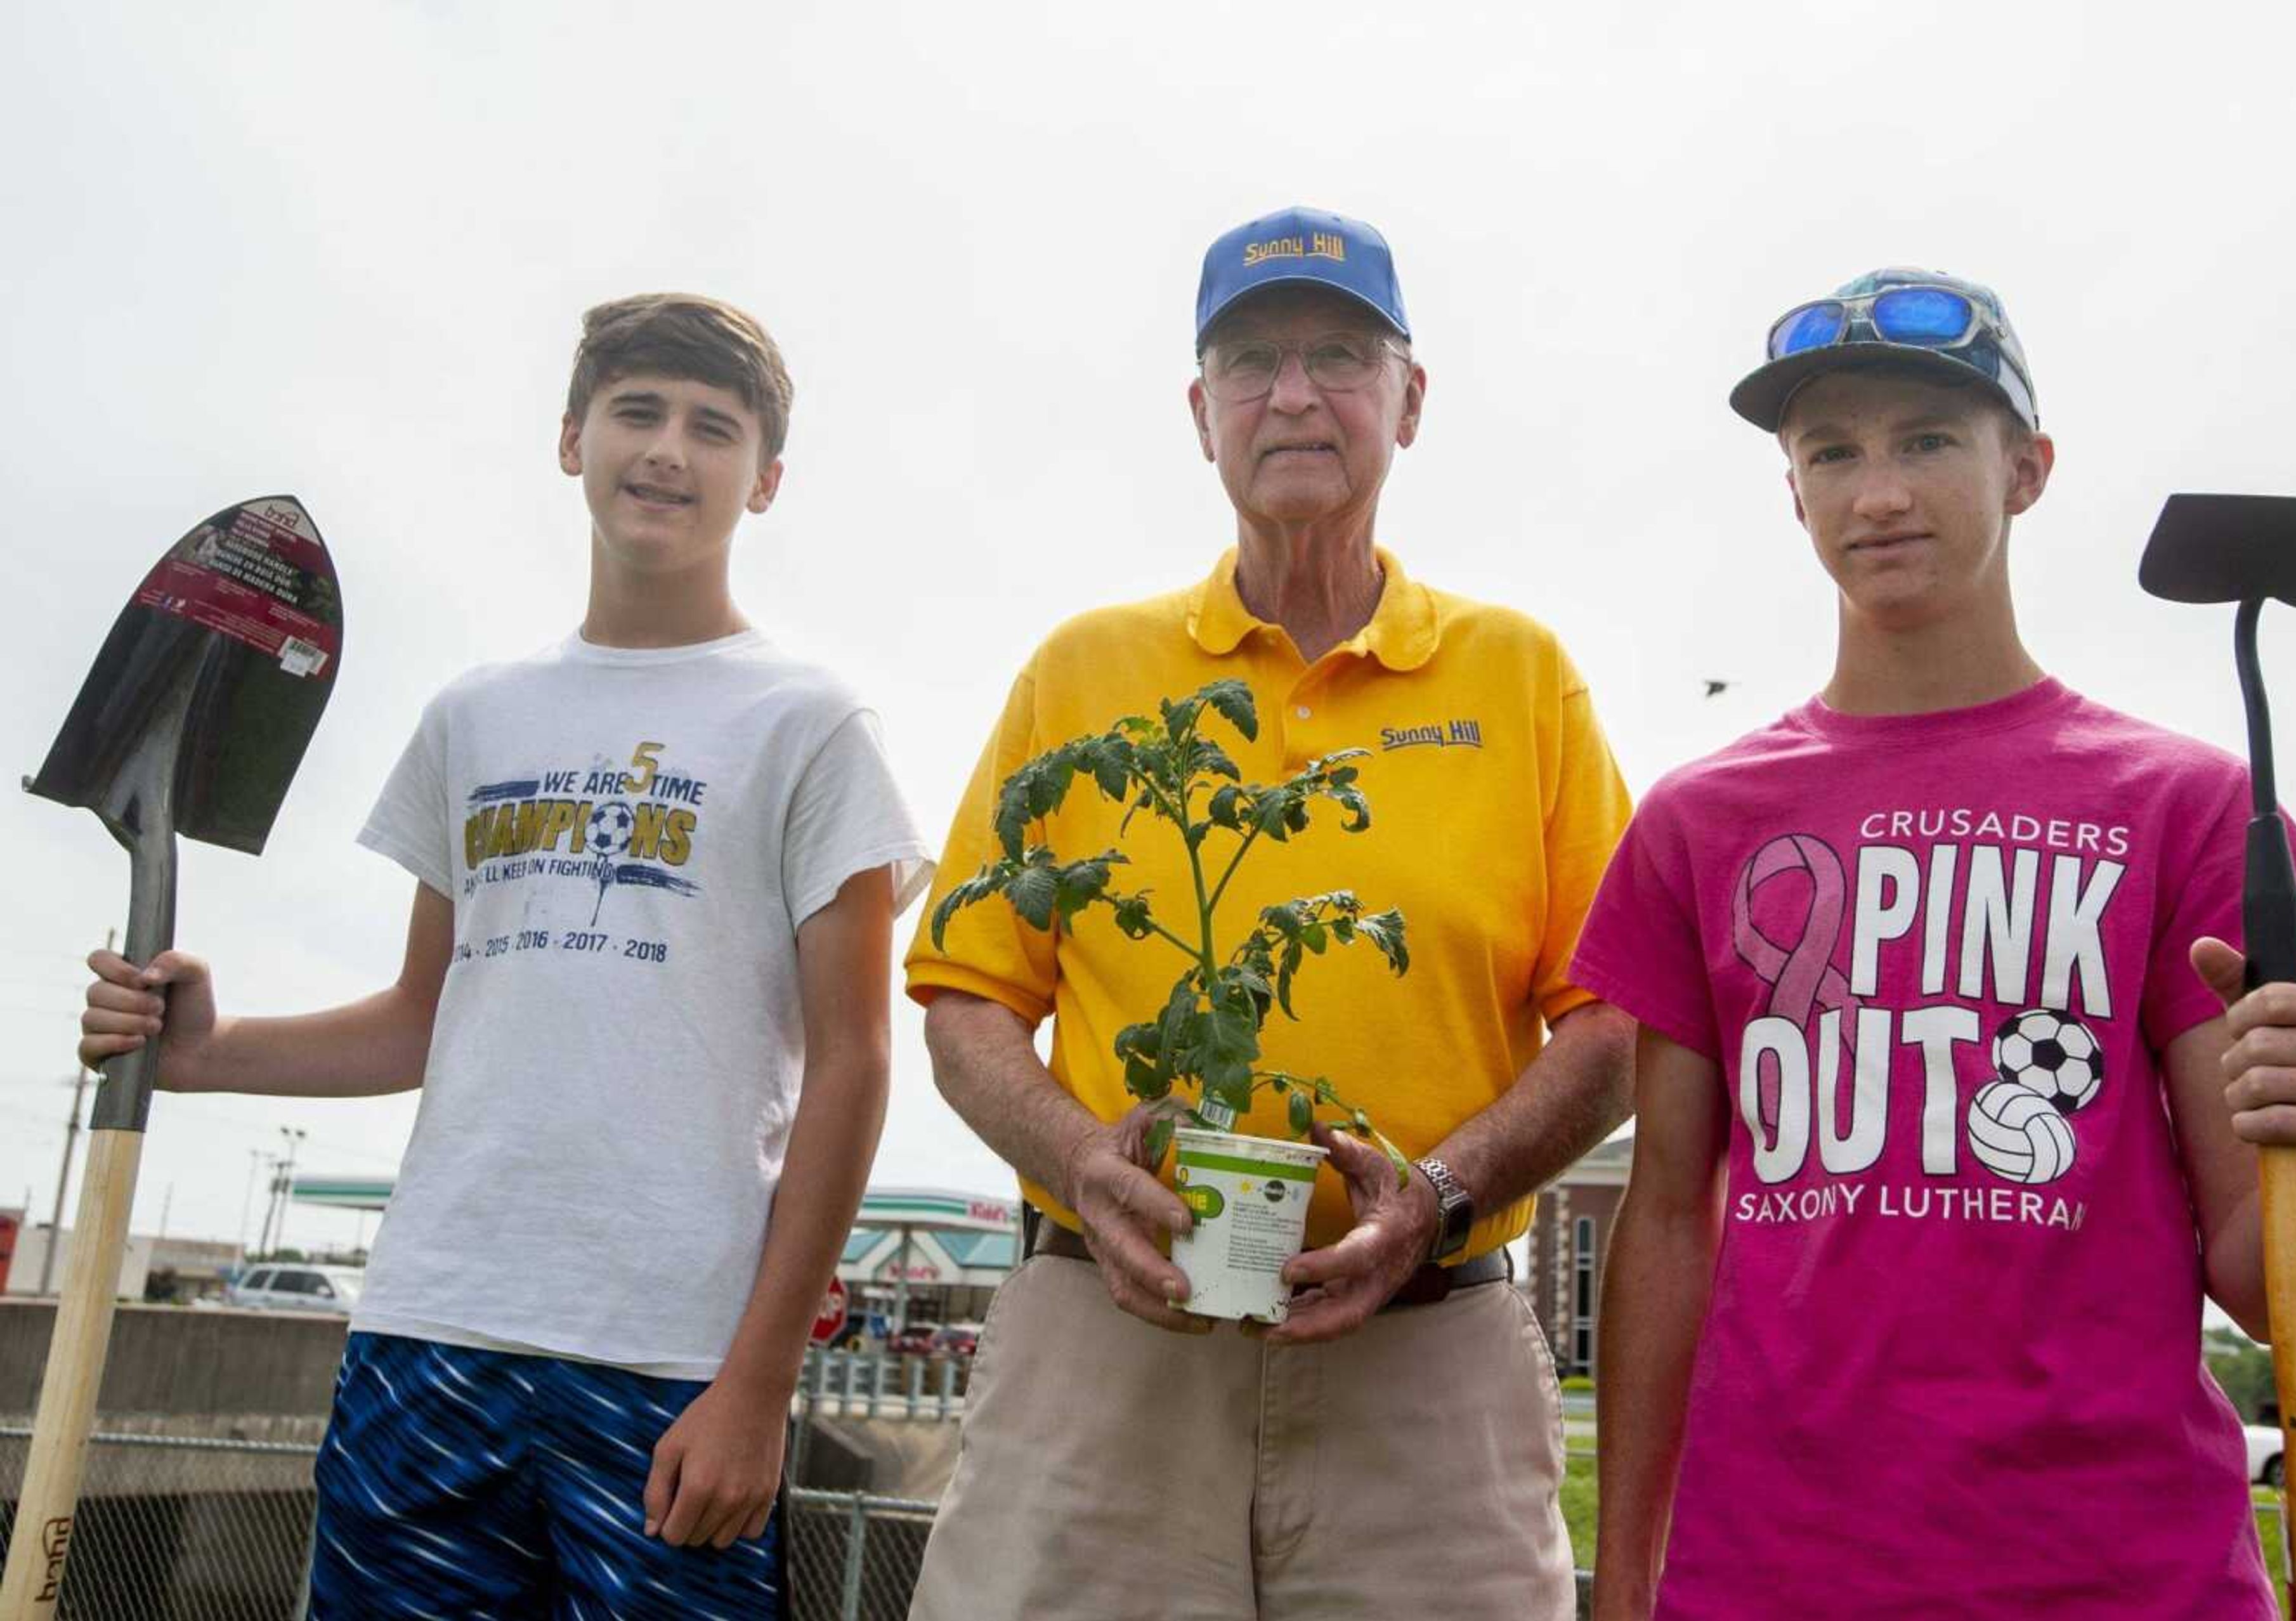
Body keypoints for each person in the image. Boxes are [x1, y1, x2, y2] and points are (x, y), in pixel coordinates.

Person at [78, 294, 932, 1618]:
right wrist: (212, 1052)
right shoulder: (476, 716)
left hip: (668, 1362)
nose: (667, 448)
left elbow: (854, 1066)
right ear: (570, 439)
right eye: (636, 410)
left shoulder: (811, 725)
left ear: (765, 481)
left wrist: (758, 1386)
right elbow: (427, 1019)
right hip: (428, 1337)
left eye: (714, 427)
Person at [1574, 268, 2296, 1618]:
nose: (1877, 492)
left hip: (2123, 1573)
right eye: (1831, 451)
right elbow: (1665, 1221)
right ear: (1791, 492)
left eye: (1929, 440)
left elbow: (2269, 1277)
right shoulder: (1697, 825)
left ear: (2030, 467)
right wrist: (1625, 1588)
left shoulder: (2186, 808)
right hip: (1773, 1571)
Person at [901, 205, 1636, 1618]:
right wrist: (1077, 1153)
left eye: (1338, 355)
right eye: (1250, 362)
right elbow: (966, 1002)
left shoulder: (1519, 678)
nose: (1293, 394)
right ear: (1201, 413)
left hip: (1428, 1378)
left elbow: (1612, 1020)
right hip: (1111, 1353)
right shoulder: (1084, 671)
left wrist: (1437, 1197)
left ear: (1409, 400)